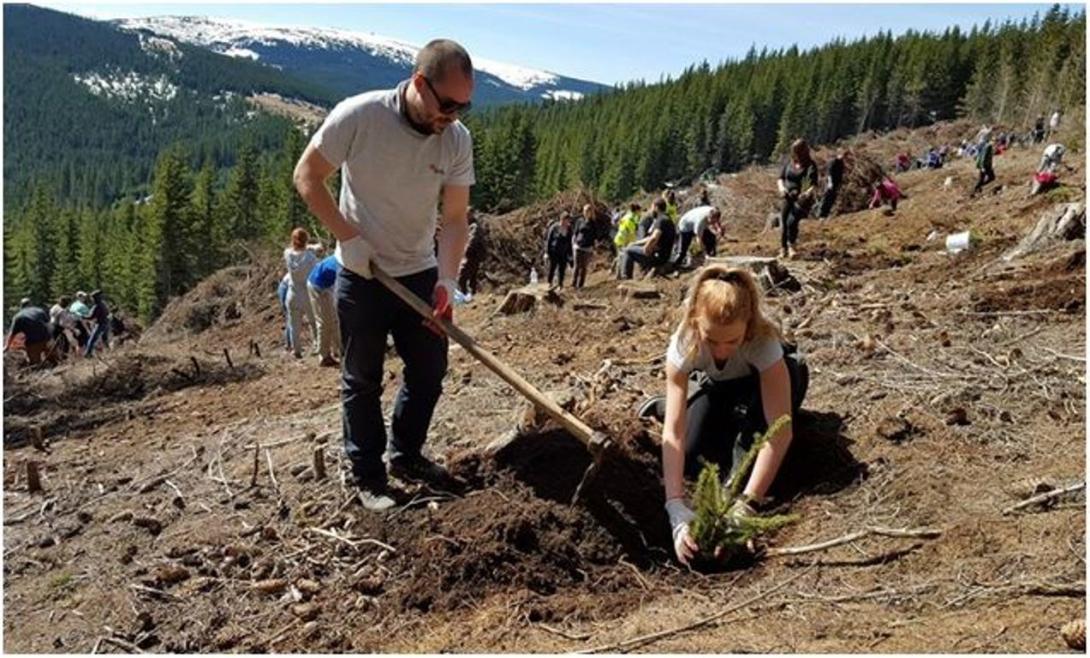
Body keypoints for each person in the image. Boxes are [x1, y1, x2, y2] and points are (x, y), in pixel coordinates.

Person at [293, 38, 475, 511]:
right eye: (447, 104)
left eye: (464, 107)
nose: (453, 116)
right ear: (419, 83)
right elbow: (307, 176)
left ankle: (407, 455)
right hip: (361, 275)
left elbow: (455, 219)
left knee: (430, 371)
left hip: (419, 273)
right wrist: (347, 238)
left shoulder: (456, 139)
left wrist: (447, 280)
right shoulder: (360, 116)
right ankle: (369, 476)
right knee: (362, 379)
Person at [637, 265, 808, 565]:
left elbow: (778, 433)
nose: (722, 350)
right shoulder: (684, 344)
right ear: (695, 322)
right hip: (719, 386)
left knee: (751, 442)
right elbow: (673, 435)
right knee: (691, 453)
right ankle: (668, 403)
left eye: (732, 341)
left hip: (769, 382)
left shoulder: (763, 340)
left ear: (748, 325)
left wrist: (746, 503)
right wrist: (675, 506)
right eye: (712, 340)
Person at [776, 139, 818, 260]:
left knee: (792, 221)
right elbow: (780, 178)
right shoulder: (789, 163)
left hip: (801, 198)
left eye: (797, 152)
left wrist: (806, 193)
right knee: (784, 222)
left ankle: (792, 247)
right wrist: (781, 188)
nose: (795, 154)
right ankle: (783, 249)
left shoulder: (810, 165)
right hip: (786, 195)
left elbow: (813, 184)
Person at [283, 228, 319, 359]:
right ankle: (318, 346)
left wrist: (310, 247)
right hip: (307, 293)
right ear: (306, 240)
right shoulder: (311, 257)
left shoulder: (287, 253)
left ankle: (296, 350)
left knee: (294, 324)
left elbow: (295, 249)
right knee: (314, 321)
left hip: (292, 293)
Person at [621, 198, 676, 279]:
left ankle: (626, 278)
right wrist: (635, 243)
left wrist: (646, 248)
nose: (651, 210)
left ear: (656, 207)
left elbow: (654, 238)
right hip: (663, 255)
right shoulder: (667, 219)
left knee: (628, 251)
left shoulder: (661, 220)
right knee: (631, 247)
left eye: (652, 207)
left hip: (659, 258)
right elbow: (650, 238)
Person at [307, 254, 342, 367]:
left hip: (324, 284)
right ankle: (324, 356)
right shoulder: (342, 266)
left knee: (334, 320)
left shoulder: (345, 257)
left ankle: (340, 350)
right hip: (318, 287)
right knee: (325, 322)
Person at [458, 208, 487, 295]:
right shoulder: (470, 225)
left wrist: (463, 252)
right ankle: (471, 295)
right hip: (474, 255)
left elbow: (472, 241)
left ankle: (464, 295)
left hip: (472, 255)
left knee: (462, 277)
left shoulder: (474, 226)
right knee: (472, 277)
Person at [543, 211, 574, 288]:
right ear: (561, 219)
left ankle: (560, 284)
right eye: (565, 220)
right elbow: (549, 240)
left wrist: (570, 254)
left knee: (562, 269)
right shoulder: (554, 227)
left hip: (564, 252)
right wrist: (547, 252)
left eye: (568, 220)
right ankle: (549, 283)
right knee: (552, 268)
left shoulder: (569, 229)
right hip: (554, 251)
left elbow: (570, 242)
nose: (566, 222)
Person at [818, 149, 850, 219]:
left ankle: (825, 215)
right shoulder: (833, 161)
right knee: (826, 198)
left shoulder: (841, 163)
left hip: (836, 184)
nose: (845, 158)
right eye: (844, 156)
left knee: (832, 199)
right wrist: (830, 183)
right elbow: (829, 173)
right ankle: (820, 214)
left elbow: (840, 175)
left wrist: (840, 184)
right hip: (830, 184)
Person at [572, 203, 596, 289]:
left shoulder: (593, 223)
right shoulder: (579, 221)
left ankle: (580, 285)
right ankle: (573, 284)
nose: (586, 213)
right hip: (578, 246)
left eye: (587, 211)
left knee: (584, 267)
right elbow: (575, 232)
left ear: (590, 212)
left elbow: (594, 235)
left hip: (587, 247)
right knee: (576, 266)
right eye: (585, 211)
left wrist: (593, 247)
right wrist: (574, 243)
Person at [84, 290, 110, 358]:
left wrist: (82, 316)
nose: (91, 299)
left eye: (92, 298)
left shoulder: (96, 306)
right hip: (106, 323)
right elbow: (107, 313)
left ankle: (88, 354)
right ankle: (108, 351)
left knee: (92, 339)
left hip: (100, 324)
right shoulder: (103, 304)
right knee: (105, 338)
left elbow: (90, 317)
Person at [277, 273, 293, 352]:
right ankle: (289, 345)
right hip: (285, 288)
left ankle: (290, 344)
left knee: (290, 318)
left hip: (288, 288)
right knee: (289, 317)